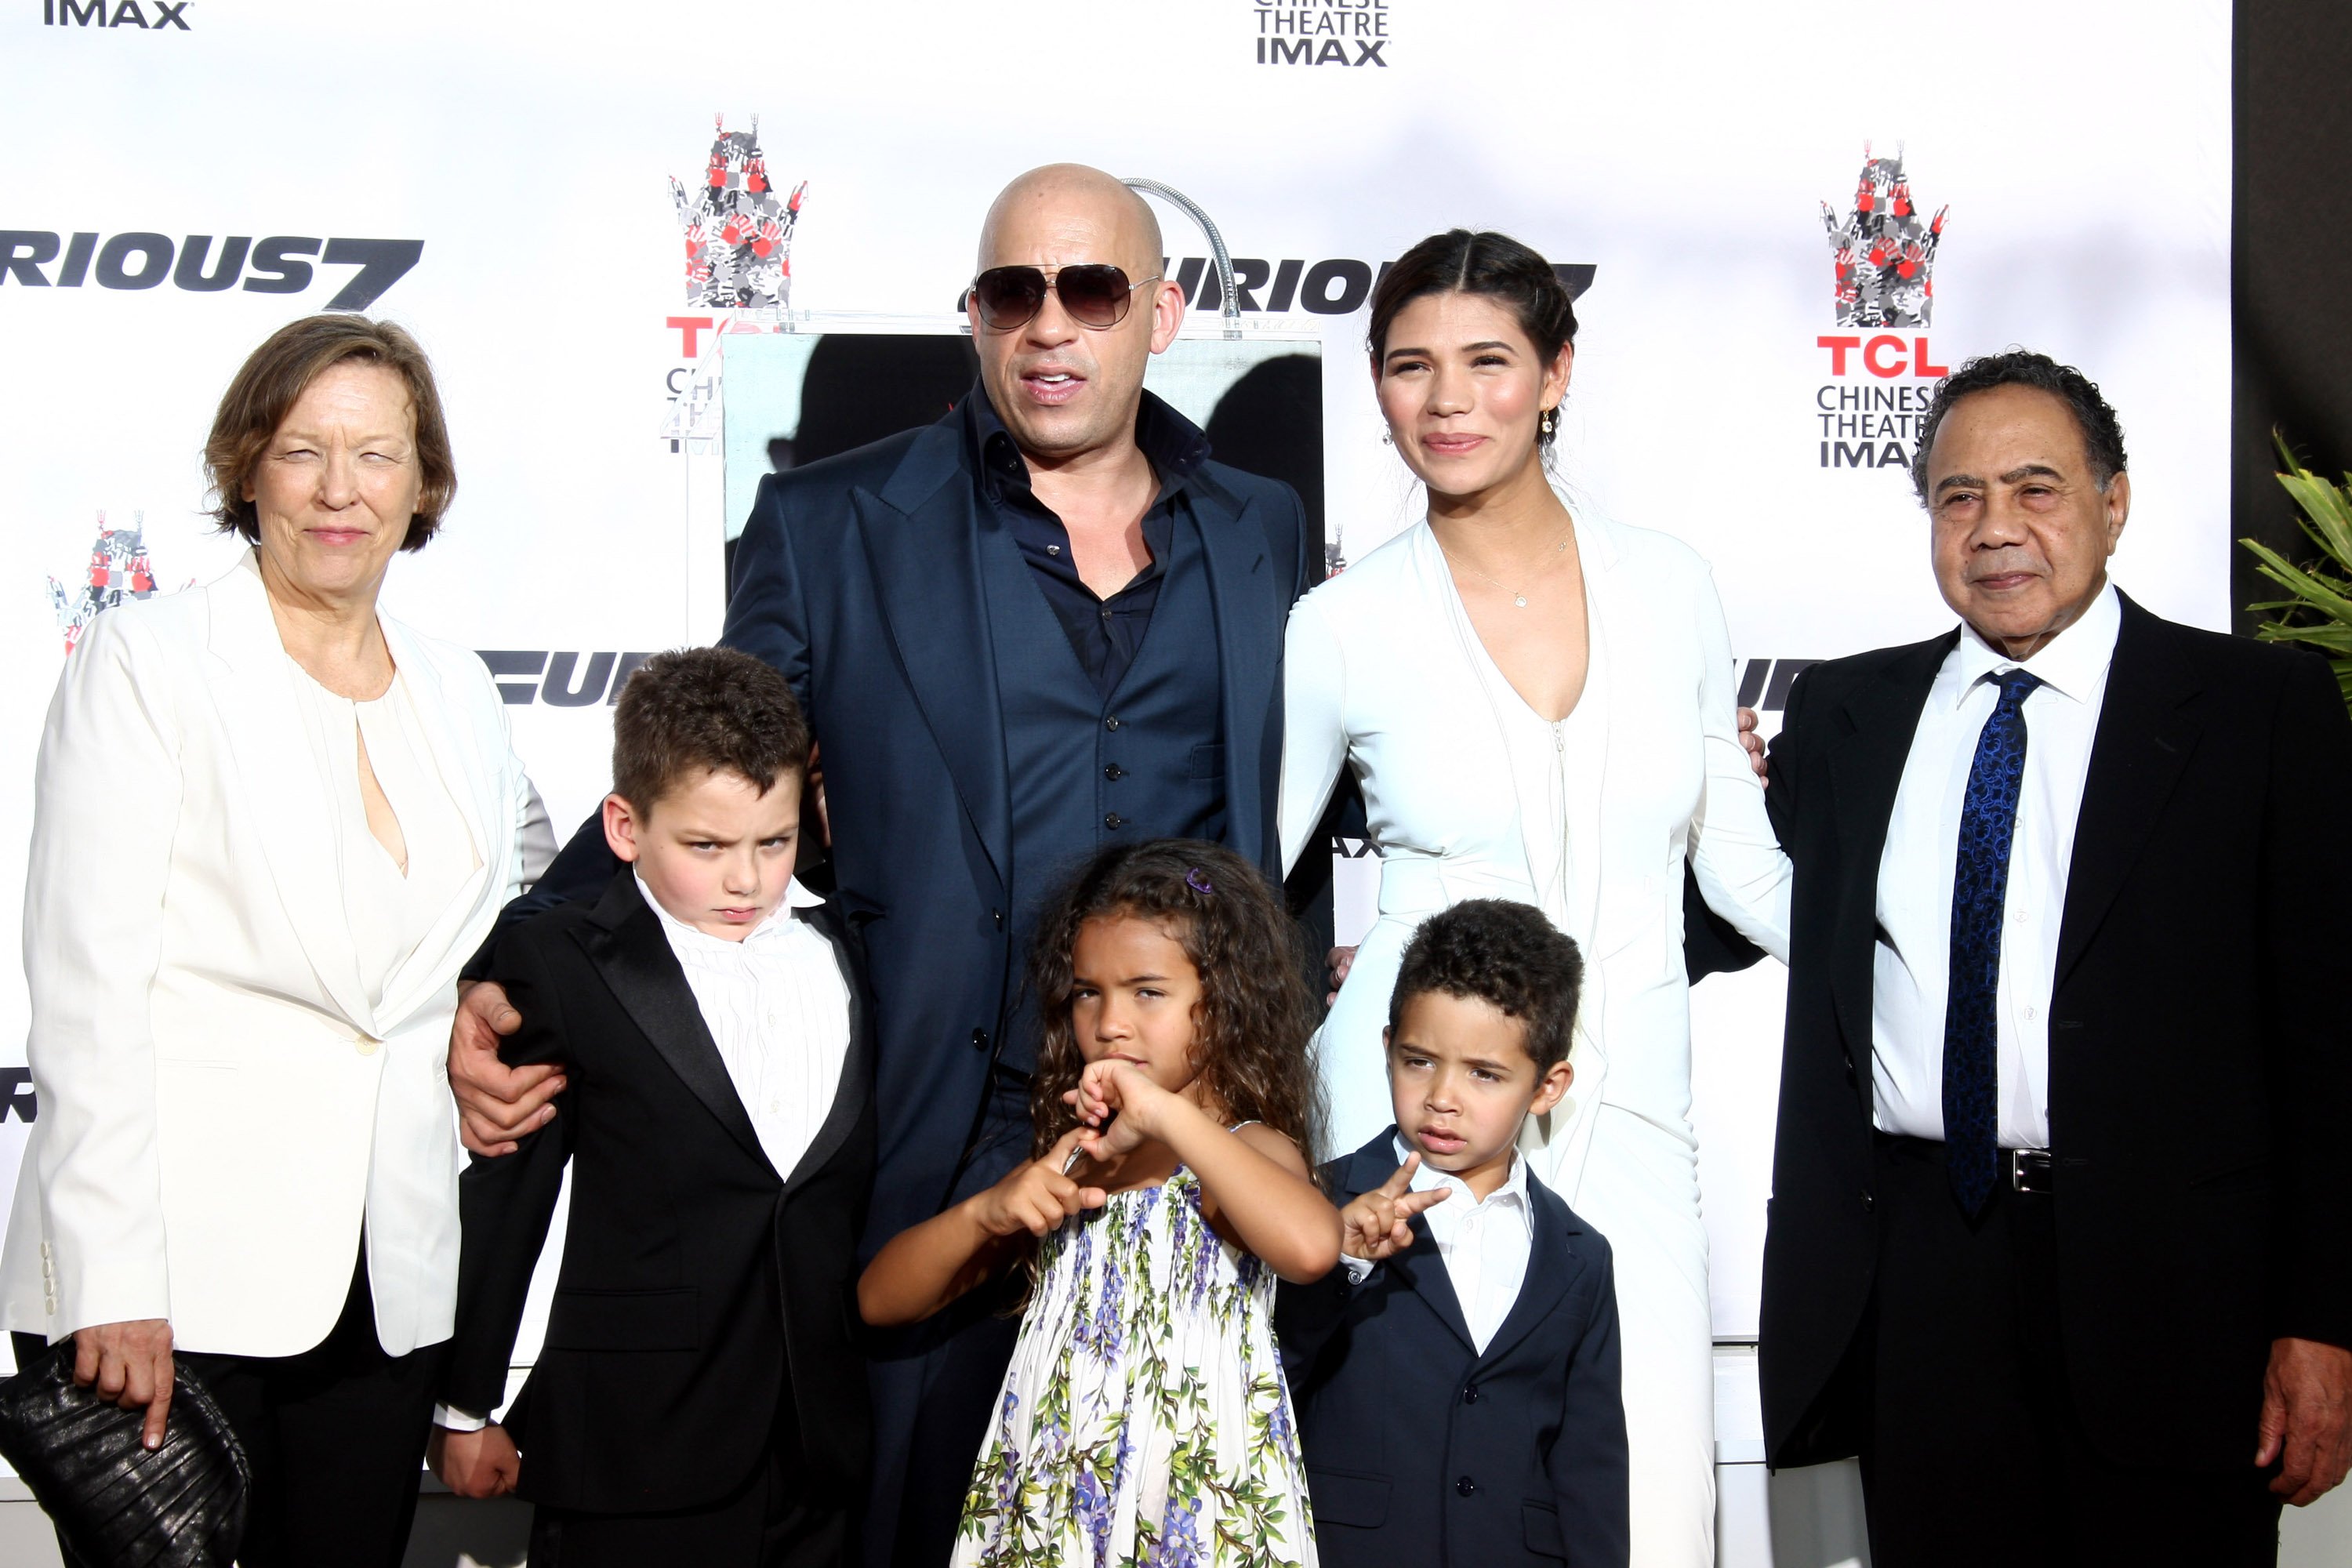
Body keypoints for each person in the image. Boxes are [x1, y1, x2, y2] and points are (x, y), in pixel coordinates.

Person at [445, 162, 1319, 1565]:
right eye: (1010, 292)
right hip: (931, 1112)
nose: (1049, 325)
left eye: (1089, 291)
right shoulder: (835, 523)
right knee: (906, 1515)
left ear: (1160, 314)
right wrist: (520, 975)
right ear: (973, 317)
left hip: (1176, 1134)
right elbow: (702, 786)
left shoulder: (1257, 527)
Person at [1755, 350, 2352, 1566]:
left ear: (2114, 503)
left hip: (2176, 1291)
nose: (1996, 529)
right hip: (1923, 1277)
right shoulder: (1844, 717)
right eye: (1959, 497)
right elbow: (1730, 910)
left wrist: (2324, 1323)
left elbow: (2329, 1040)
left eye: (2037, 488)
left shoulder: (2256, 709)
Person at [0, 314, 554, 1566]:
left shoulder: (457, 686)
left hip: (389, 1273)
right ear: (247, 469)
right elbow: (87, 990)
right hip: (177, 1276)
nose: (341, 490)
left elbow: (504, 927)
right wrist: (109, 1283)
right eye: (305, 452)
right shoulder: (151, 660)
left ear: (426, 483)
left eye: (378, 454)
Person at [1277, 229, 1790, 1566]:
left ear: (1557, 373)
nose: (1447, 401)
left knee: (1651, 1516)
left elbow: (1743, 870)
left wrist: (1942, 949)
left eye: (1488, 361)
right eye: (1409, 367)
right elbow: (1247, 898)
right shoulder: (1337, 625)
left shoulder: (1671, 585)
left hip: (1628, 1120)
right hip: (1409, 1132)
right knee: (1412, 1515)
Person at [426, 648, 870, 1566]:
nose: (745, 879)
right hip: (633, 1447)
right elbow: (514, 1191)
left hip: (823, 1449)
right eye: (705, 847)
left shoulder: (852, 947)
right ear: (625, 826)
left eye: (773, 842)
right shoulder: (564, 961)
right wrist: (464, 1404)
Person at [857, 840, 1338, 1568]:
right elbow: (880, 1300)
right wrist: (988, 1212)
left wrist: (1165, 1115)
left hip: (1191, 1514)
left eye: (1148, 991)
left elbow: (1310, 1248)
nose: (1110, 1023)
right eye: (1089, 992)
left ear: (1227, 1000)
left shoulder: (1245, 1149)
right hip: (1054, 1514)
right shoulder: (1073, 1165)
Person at [1279, 898, 1629, 1568]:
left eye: (1483, 1074)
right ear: (1387, 1050)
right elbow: (1256, 1387)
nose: (1442, 1096)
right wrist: (1339, 1263)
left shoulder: (1581, 1258)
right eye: (1418, 1061)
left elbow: (1591, 1470)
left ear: (1548, 1087)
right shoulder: (1310, 1203)